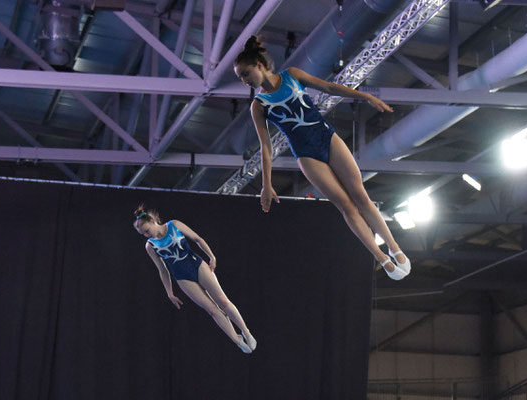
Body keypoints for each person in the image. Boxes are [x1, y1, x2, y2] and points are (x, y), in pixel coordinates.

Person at [233, 36, 410, 280]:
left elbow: (329, 87)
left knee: (359, 194)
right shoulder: (259, 105)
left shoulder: (291, 75)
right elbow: (266, 147)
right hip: (306, 155)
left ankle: (393, 247)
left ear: (259, 65)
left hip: (327, 137)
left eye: (245, 73)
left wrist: (365, 96)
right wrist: (266, 184)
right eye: (240, 78)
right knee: (345, 205)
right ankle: (380, 256)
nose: (244, 81)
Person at [133, 206, 257, 353]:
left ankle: (246, 332)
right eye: (143, 234)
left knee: (222, 301)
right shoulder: (150, 245)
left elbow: (198, 239)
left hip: (197, 265)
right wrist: (169, 292)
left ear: (153, 221)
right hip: (182, 277)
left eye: (146, 230)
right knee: (212, 310)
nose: (146, 235)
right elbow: (162, 269)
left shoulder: (174, 225)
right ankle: (237, 341)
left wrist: (211, 256)